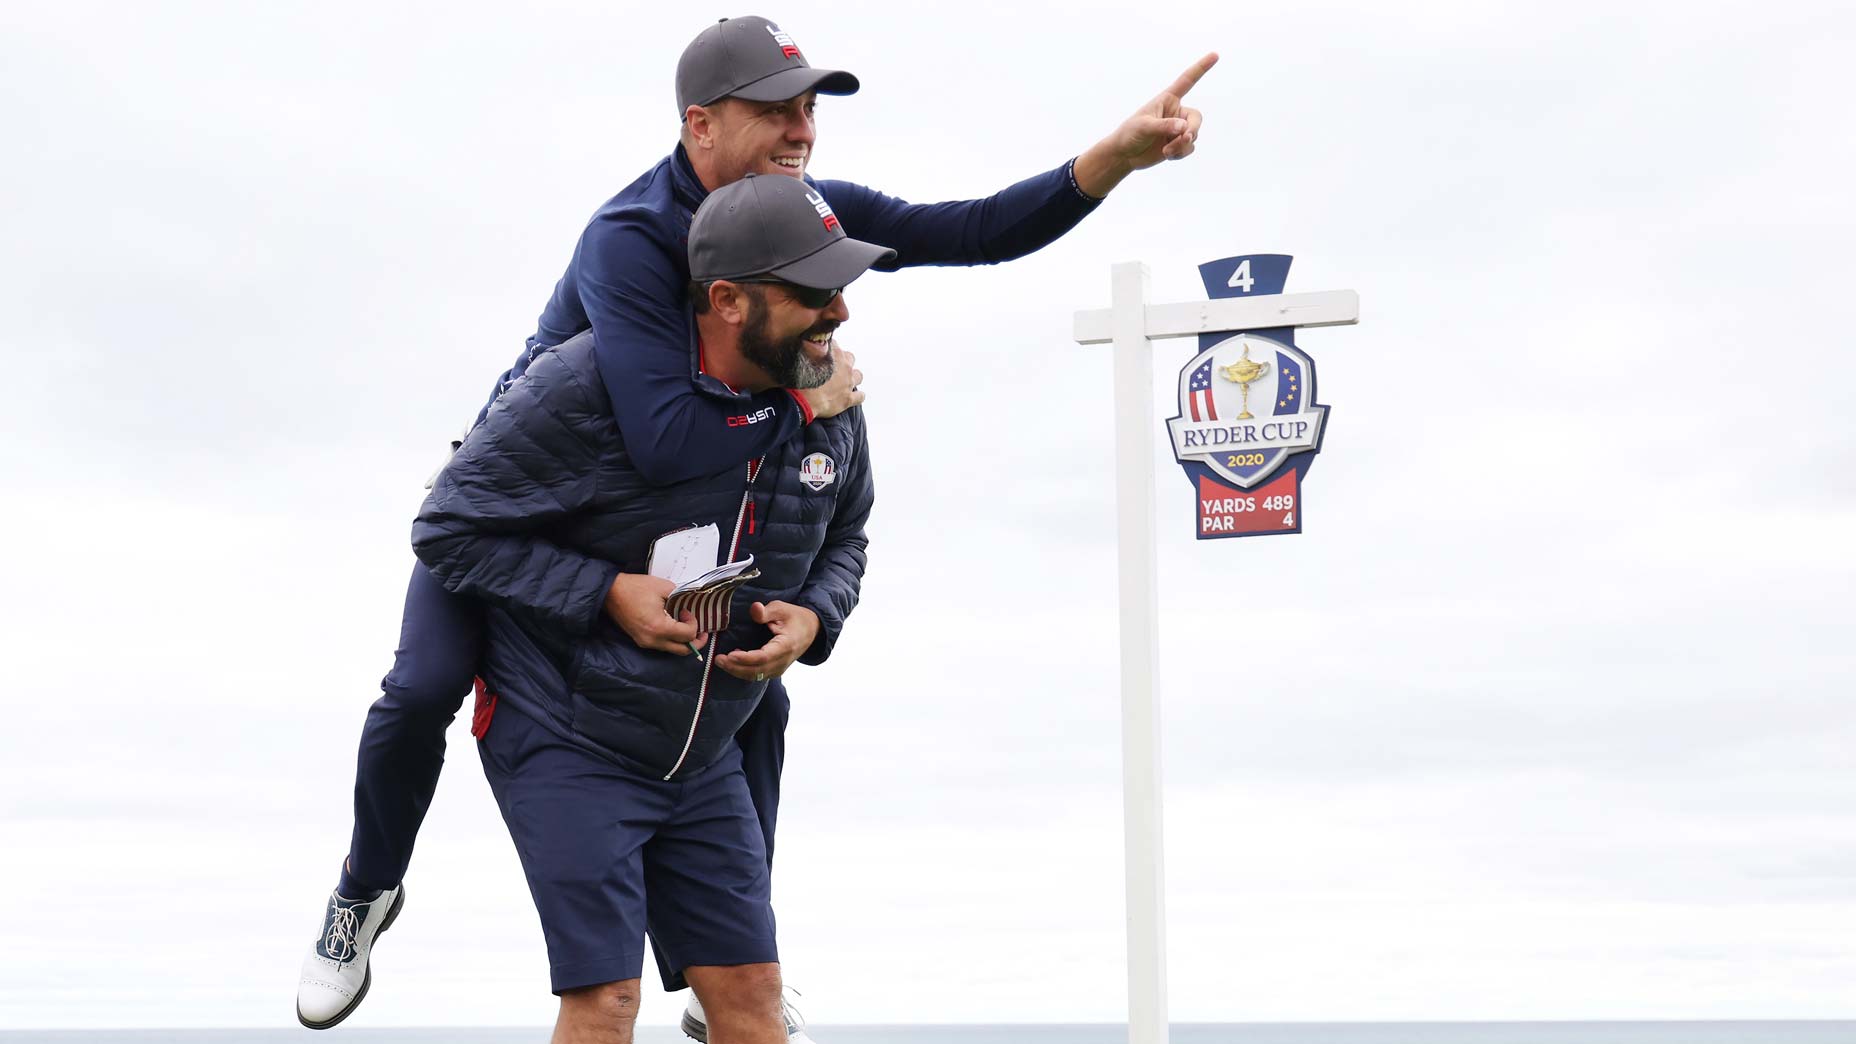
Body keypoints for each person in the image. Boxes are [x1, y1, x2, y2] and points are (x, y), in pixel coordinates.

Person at [296, 13, 1216, 1035]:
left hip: (670, 499)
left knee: (751, 692)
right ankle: (363, 891)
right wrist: (805, 392)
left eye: (809, 105)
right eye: (774, 109)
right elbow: (662, 439)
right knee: (420, 685)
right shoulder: (635, 236)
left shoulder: (797, 215)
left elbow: (973, 230)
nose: (802, 128)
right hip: (528, 495)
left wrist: (1112, 160)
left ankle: (713, 963)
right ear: (700, 126)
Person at [417, 173, 888, 1044]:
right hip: (566, 729)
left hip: (703, 750)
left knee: (750, 993)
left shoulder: (830, 398)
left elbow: (848, 534)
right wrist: (606, 594)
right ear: (727, 301)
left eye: (845, 288)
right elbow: (447, 530)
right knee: (607, 1001)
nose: (841, 314)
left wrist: (816, 616)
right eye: (816, 292)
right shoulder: (585, 384)